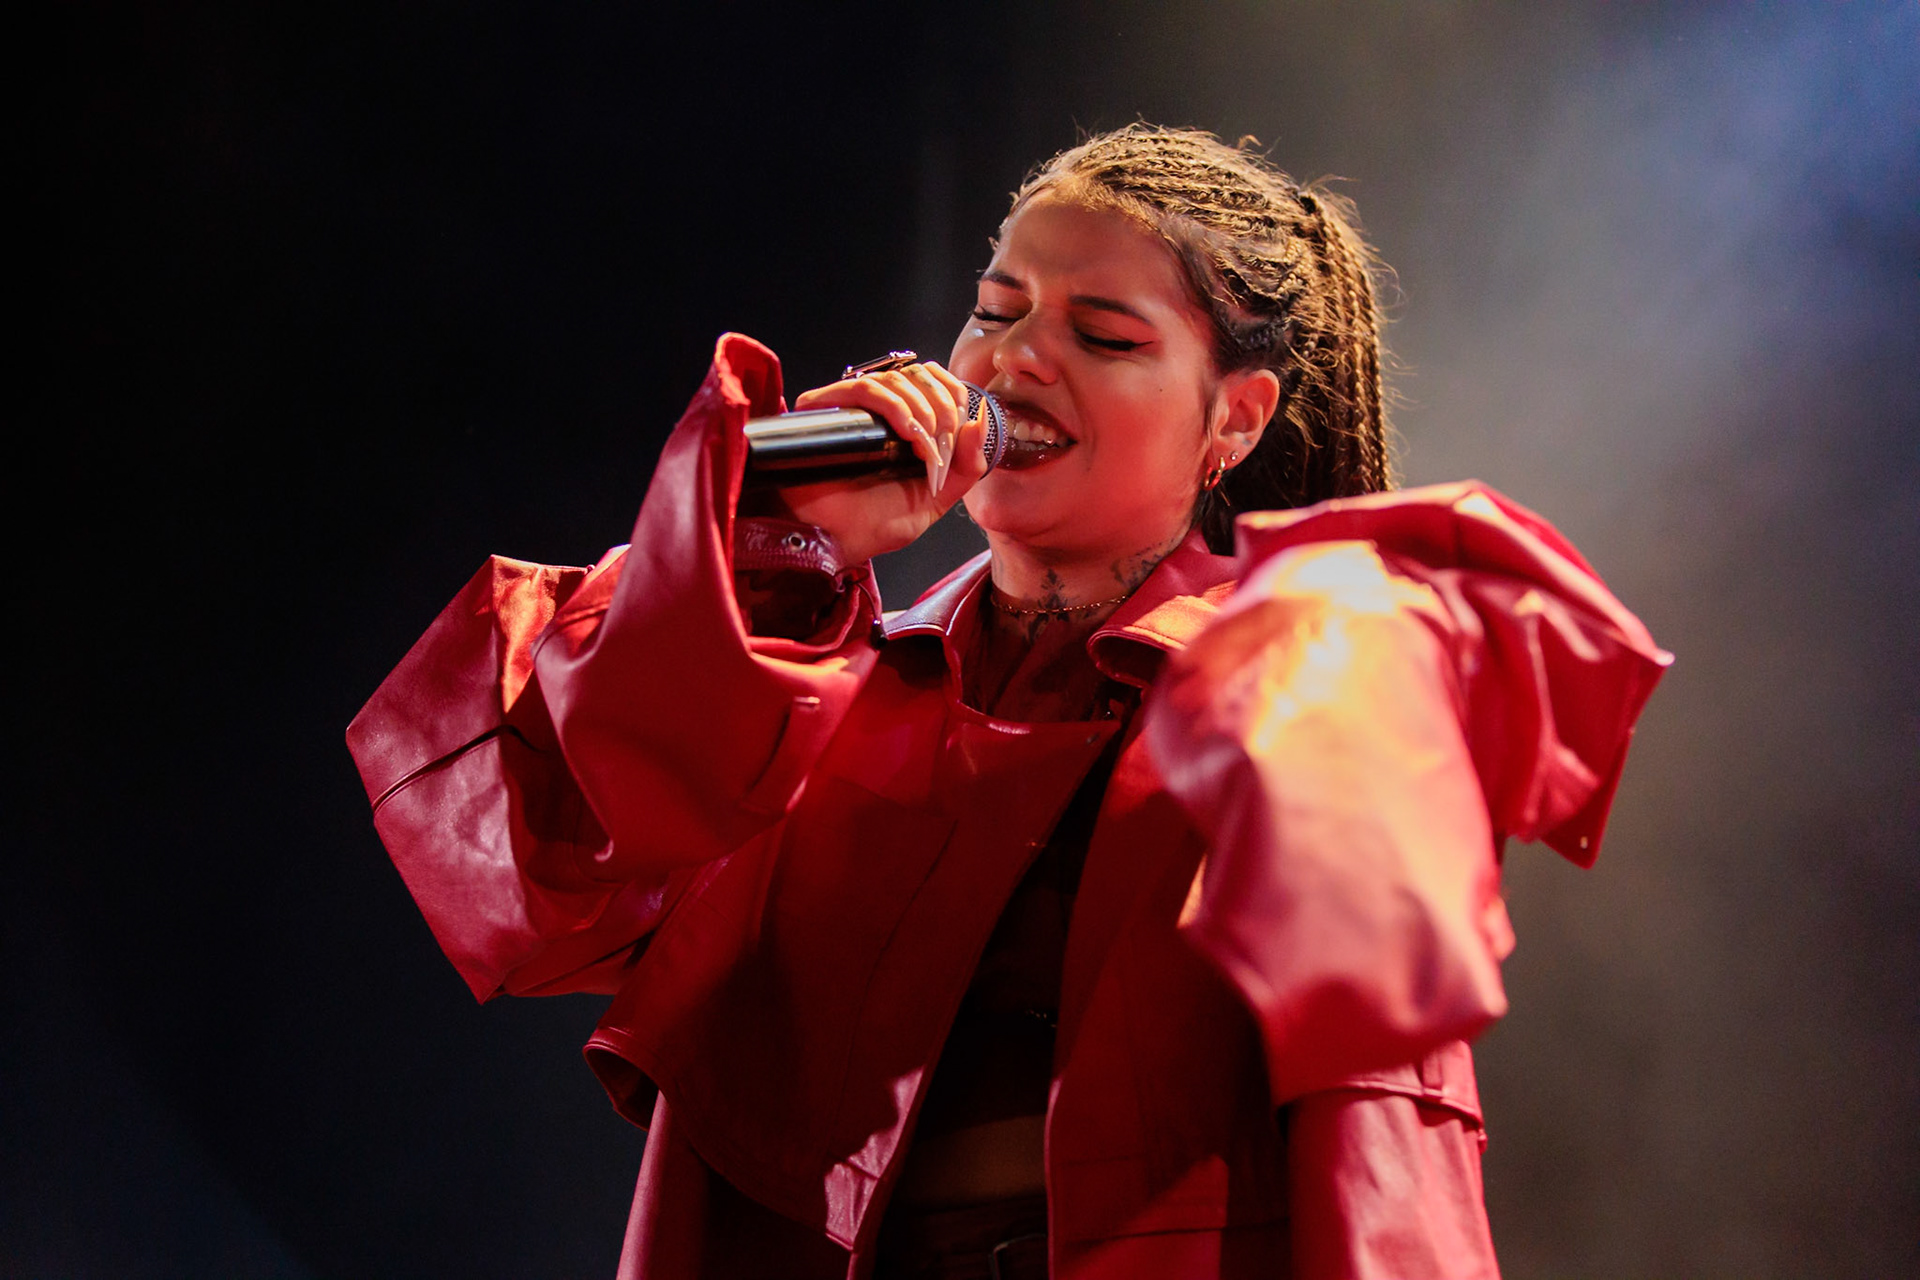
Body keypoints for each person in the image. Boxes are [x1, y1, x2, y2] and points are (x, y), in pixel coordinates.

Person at [348, 125, 1669, 1279]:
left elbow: (1385, 1144)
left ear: (1236, 420)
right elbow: (532, 862)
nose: (1016, 359)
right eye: (996, 310)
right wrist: (782, 537)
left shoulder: (1308, 705)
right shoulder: (810, 672)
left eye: (1101, 335)